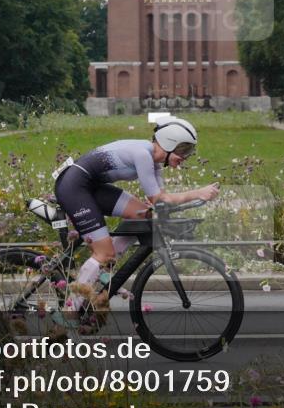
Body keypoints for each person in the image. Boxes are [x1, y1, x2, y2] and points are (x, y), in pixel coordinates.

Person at [54, 116, 219, 308]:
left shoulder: (154, 162)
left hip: (90, 185)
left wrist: (189, 199)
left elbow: (160, 199)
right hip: (74, 186)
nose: (185, 157)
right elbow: (159, 199)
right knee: (103, 252)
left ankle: (103, 268)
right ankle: (71, 311)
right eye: (184, 150)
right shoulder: (143, 155)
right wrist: (198, 193)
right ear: (169, 143)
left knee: (143, 214)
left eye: (189, 151)